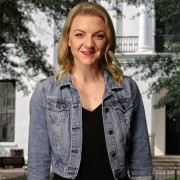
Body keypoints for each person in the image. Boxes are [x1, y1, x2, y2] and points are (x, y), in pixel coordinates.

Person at [27, 2, 153, 180]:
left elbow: (141, 164)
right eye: (80, 35)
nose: (89, 44)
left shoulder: (127, 89)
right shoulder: (46, 93)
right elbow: (37, 166)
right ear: (68, 39)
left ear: (107, 41)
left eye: (98, 36)